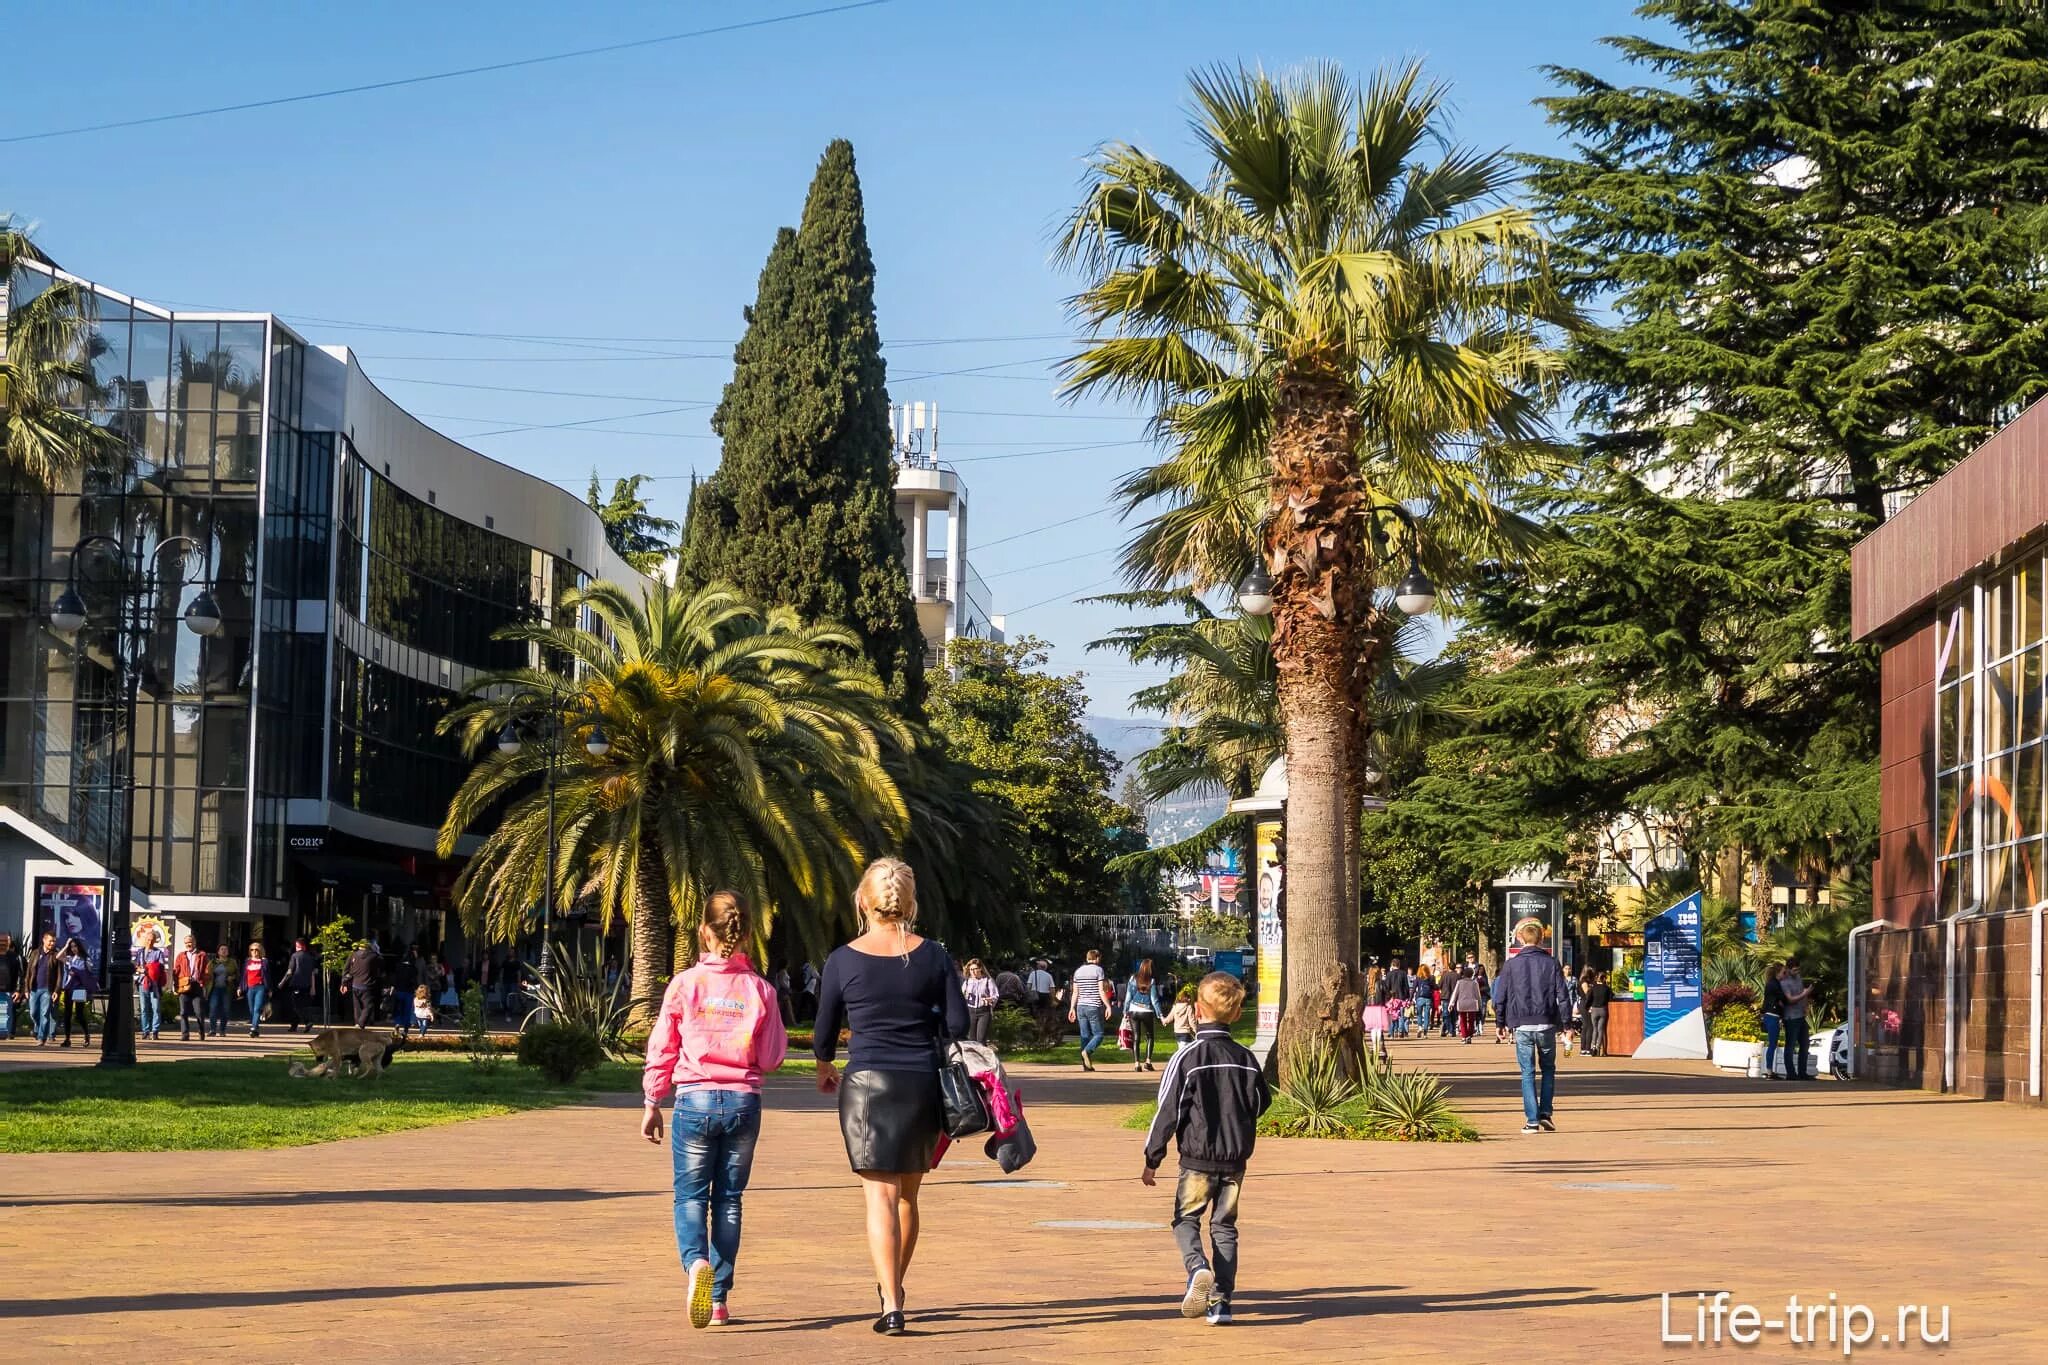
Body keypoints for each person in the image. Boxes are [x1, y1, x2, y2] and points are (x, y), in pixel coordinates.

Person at [812, 858, 967, 1337]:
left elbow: (824, 1030)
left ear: (863, 901)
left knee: (878, 1196)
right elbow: (959, 1025)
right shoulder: (935, 955)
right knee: (908, 1195)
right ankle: (893, 1288)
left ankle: (892, 1302)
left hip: (865, 1086)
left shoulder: (843, 958)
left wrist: (824, 1064)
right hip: (921, 1081)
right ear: (910, 902)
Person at [642, 890, 788, 1330]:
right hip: (744, 1102)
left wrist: (652, 1100)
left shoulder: (685, 984)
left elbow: (662, 1047)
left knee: (689, 1196)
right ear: (744, 937)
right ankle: (719, 1299)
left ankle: (695, 1265)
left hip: (693, 1101)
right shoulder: (760, 989)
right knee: (728, 1199)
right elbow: (772, 1056)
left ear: (704, 932)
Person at [1141, 971, 1271, 1327]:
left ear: (1198, 1010)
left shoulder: (1187, 1057)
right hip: (1235, 1159)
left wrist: (1153, 1157)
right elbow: (1261, 1101)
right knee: (1225, 1226)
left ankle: (1198, 1266)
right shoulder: (1245, 1057)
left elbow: (1169, 1108)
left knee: (1186, 1219)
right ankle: (1222, 1303)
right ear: (1235, 1013)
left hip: (1197, 1158)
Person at [1492, 920, 1578, 1133]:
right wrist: (1567, 1024)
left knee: (1527, 1072)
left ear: (1520, 939)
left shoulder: (1511, 965)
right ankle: (1545, 1113)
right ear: (1541, 939)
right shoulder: (1551, 963)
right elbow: (1563, 996)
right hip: (1547, 1023)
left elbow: (1499, 997)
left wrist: (1500, 1023)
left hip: (1521, 1025)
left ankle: (1531, 1120)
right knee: (1548, 1069)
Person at [1068, 948, 1115, 1072]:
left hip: (1080, 1007)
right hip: (1093, 1006)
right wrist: (1108, 1006)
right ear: (1097, 958)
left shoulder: (1078, 971)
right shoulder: (1098, 970)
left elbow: (1075, 992)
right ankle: (1087, 1051)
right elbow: (1101, 990)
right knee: (1098, 1034)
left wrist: (1072, 1008)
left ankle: (1086, 1065)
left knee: (1085, 1036)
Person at [1123, 958, 1164, 1071]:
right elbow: (1154, 1000)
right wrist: (1160, 1015)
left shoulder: (1133, 978)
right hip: (1147, 1011)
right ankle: (1148, 1061)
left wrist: (1125, 1011)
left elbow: (1128, 997)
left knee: (1136, 1037)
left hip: (1133, 1010)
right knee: (1150, 1036)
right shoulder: (1151, 981)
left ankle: (1137, 1064)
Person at [1781, 958, 1817, 1081]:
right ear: (1789, 968)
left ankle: (1802, 1072)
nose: (1796, 972)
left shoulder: (1799, 978)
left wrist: (1806, 1005)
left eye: (1798, 969)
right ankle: (1791, 1073)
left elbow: (1803, 994)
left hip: (1801, 1015)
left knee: (1805, 1044)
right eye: (1794, 970)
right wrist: (1805, 993)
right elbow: (1790, 999)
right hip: (1791, 1017)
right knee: (1790, 1045)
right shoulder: (1785, 982)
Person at [56, 937, 97, 1047]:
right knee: (67, 1014)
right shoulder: (70, 958)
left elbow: (89, 972)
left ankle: (86, 1034)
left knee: (79, 1014)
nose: (74, 949)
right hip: (69, 987)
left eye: (75, 946)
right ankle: (67, 1039)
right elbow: (58, 956)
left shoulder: (85, 959)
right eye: (72, 947)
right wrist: (66, 945)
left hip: (79, 988)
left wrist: (79, 973)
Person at [133, 928, 170, 1041]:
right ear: (145, 940)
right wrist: (140, 969)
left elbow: (161, 967)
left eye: (152, 940)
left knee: (156, 1008)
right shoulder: (140, 952)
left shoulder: (158, 952)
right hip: (142, 982)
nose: (150, 942)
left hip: (154, 984)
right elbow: (135, 965)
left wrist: (151, 968)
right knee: (144, 1009)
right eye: (148, 939)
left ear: (155, 941)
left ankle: (155, 1031)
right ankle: (145, 1031)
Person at [174, 935, 209, 1041]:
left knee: (199, 1012)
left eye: (190, 942)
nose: (188, 944)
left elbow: (206, 970)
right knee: (183, 1012)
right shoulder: (181, 955)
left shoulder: (202, 955)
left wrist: (203, 981)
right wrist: (175, 986)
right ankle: (185, 1034)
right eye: (186, 943)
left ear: (194, 942)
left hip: (196, 985)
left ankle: (201, 1032)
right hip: (184, 986)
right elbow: (176, 971)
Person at [283, 937, 319, 1032]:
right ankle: (294, 1025)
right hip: (307, 985)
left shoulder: (295, 956)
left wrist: (282, 982)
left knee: (296, 1005)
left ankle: (307, 1021)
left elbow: (290, 971)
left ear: (299, 946)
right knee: (302, 1004)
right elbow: (313, 972)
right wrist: (313, 987)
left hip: (296, 983)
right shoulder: (311, 957)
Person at [342, 939, 381, 1027]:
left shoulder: (353, 955)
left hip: (355, 984)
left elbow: (346, 969)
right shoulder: (373, 956)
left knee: (357, 1006)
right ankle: (361, 1023)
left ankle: (357, 1023)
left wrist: (344, 983)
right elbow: (379, 968)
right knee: (368, 1006)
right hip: (367, 984)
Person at [961, 959, 999, 1044]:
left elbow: (995, 995)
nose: (973, 972)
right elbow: (961, 996)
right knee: (971, 1040)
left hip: (984, 1012)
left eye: (975, 969)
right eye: (971, 969)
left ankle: (983, 1056)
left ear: (980, 969)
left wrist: (990, 999)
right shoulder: (967, 982)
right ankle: (973, 1057)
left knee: (981, 1040)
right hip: (970, 1011)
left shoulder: (988, 980)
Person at [1760, 963, 1786, 1078]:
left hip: (1771, 1015)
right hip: (1772, 1015)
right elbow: (1783, 999)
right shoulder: (1775, 985)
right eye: (1783, 973)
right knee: (1772, 1044)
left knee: (1772, 1043)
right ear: (1777, 973)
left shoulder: (1772, 984)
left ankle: (1769, 1069)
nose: (1784, 975)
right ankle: (1769, 1070)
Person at [206, 943, 237, 1039]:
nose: (224, 951)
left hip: (226, 989)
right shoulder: (212, 962)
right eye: (222, 949)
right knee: (213, 1009)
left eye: (226, 949)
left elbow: (237, 974)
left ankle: (222, 1030)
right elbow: (206, 974)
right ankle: (212, 1029)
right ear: (218, 952)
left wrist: (232, 977)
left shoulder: (232, 962)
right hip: (214, 988)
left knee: (225, 1010)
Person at [240, 942, 270, 1037]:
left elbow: (268, 976)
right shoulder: (247, 961)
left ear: (260, 951)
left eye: (256, 950)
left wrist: (269, 989)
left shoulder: (264, 961)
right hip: (250, 987)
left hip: (260, 987)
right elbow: (243, 976)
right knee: (251, 1009)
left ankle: (253, 1028)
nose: (254, 952)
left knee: (257, 1008)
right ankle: (256, 1028)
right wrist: (240, 987)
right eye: (252, 950)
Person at [1580, 969, 1612, 1058]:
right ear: (1604, 979)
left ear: (1597, 978)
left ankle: (1592, 1046)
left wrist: (1587, 1007)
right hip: (1603, 1010)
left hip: (1594, 1010)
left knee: (1594, 1029)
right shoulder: (1607, 988)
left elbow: (1589, 998)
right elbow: (1610, 998)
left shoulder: (1593, 988)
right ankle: (1598, 1048)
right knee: (1601, 1029)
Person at [1447, 966, 1482, 1042]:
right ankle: (1469, 1035)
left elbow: (1455, 994)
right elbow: (1478, 995)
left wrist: (1451, 1004)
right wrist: (1480, 1004)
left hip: (1462, 1003)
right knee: (1471, 1020)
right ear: (1472, 974)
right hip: (1472, 1004)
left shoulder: (1459, 982)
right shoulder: (1474, 983)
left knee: (1462, 1020)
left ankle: (1464, 1036)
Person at [0, 932, 20, 1041]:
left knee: (7, 1013)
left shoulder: (14, 957)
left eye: (7, 941)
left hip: (8, 990)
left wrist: (17, 990)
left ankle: (7, 1033)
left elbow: (20, 975)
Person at [1361, 995, 1391, 1063]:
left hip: (1369, 1007)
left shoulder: (1367, 985)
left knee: (1373, 1029)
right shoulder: (1381, 984)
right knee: (1378, 1028)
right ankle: (1379, 1047)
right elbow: (1386, 994)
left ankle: (1375, 1047)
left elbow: (1364, 995)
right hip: (1379, 1006)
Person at [1168, 984, 1198, 1049]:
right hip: (1185, 1033)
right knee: (1185, 1051)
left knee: (1181, 1049)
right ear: (1188, 998)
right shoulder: (1188, 1007)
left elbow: (1170, 1017)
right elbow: (1191, 1021)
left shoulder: (1175, 1006)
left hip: (1177, 1032)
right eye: (1189, 997)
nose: (1190, 999)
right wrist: (1196, 1031)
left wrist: (1164, 1021)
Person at [1410, 965, 1434, 1038]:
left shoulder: (1417, 978)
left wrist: (1410, 999)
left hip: (1419, 998)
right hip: (1428, 998)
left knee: (1419, 1014)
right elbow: (1434, 987)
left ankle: (1420, 1027)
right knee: (1427, 1016)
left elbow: (1413, 989)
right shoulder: (1430, 978)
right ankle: (1425, 1033)